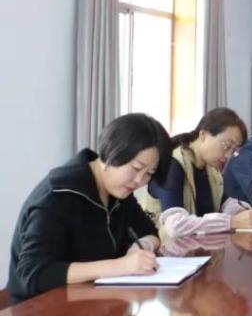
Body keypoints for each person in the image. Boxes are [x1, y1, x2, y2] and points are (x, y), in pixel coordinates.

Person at [8, 114, 172, 303]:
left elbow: (149, 232)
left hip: (95, 300)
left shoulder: (120, 192)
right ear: (112, 151)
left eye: (149, 174)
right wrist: (120, 266)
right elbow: (33, 273)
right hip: (42, 306)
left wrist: (142, 246)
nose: (139, 181)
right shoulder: (59, 194)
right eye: (136, 168)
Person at [137, 108, 252, 240]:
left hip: (198, 247)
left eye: (234, 150)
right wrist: (231, 222)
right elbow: (176, 226)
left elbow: (223, 202)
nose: (228, 156)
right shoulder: (173, 164)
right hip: (166, 249)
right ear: (203, 135)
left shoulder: (211, 167)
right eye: (226, 146)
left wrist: (242, 211)